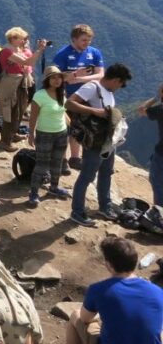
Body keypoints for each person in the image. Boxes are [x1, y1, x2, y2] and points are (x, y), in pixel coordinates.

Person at [65, 237, 163, 344]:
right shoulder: (157, 291)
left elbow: (84, 319)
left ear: (109, 265)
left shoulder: (99, 289)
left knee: (75, 315)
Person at [66, 63, 132, 227]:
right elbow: (69, 103)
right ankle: (77, 212)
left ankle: (105, 205)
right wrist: (96, 112)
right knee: (87, 176)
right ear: (116, 80)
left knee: (106, 172)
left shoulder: (108, 90)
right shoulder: (92, 87)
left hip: (108, 140)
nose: (120, 87)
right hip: (94, 140)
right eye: (121, 84)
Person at [53, 24, 105, 173]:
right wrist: (75, 75)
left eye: (89, 40)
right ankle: (62, 160)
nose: (87, 43)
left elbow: (101, 74)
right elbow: (57, 77)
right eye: (83, 40)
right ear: (74, 39)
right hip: (65, 96)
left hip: (87, 97)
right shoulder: (62, 54)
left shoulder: (94, 53)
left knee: (79, 128)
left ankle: (75, 158)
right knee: (64, 128)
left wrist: (81, 79)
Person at [26, 66, 72, 207]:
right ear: (47, 80)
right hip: (44, 134)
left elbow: (62, 111)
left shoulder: (61, 93)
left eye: (59, 77)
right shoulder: (40, 95)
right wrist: (31, 134)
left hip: (61, 133)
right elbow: (33, 117)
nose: (57, 80)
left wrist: (69, 123)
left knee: (57, 162)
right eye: (53, 77)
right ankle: (33, 193)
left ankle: (54, 187)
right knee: (42, 165)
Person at [0, 28, 48, 152]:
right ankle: (5, 141)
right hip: (11, 84)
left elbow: (27, 63)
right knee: (11, 110)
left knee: (20, 109)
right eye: (22, 38)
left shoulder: (17, 50)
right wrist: (40, 49)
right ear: (13, 38)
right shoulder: (7, 51)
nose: (24, 41)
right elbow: (27, 61)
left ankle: (13, 134)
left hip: (21, 83)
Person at [137, 82, 163, 206]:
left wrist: (155, 98)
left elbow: (141, 110)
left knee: (157, 182)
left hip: (161, 153)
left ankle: (160, 214)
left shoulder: (160, 109)